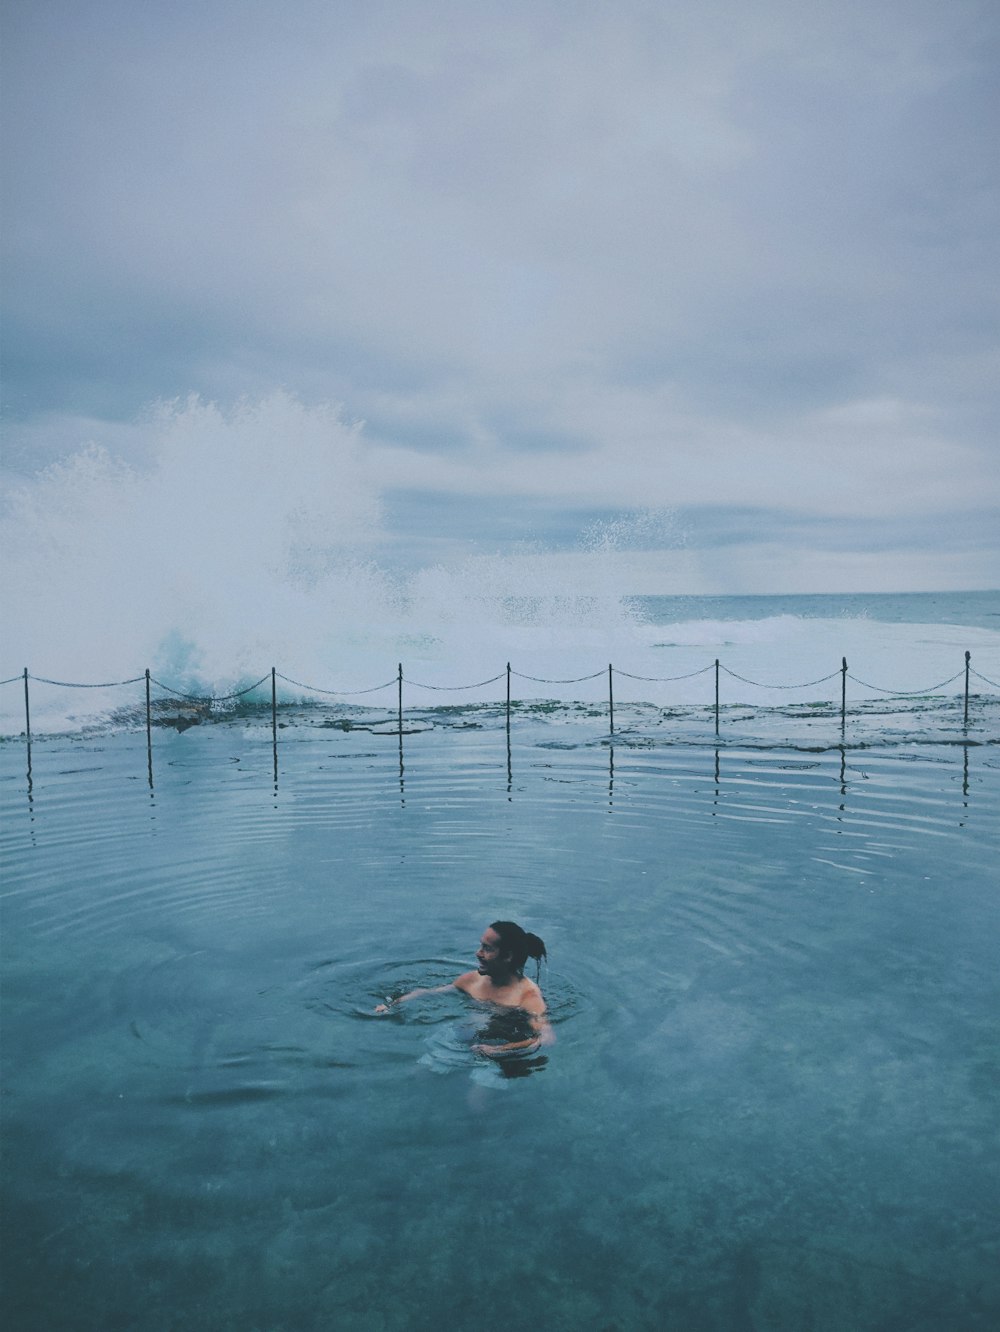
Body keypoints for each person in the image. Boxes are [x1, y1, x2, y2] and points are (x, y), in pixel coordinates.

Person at [374, 920, 553, 1056]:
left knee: (476, 1102)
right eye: (480, 945)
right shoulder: (472, 980)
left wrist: (498, 1050)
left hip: (498, 1054)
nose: (478, 953)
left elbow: (545, 1039)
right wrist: (391, 1005)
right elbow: (428, 993)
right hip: (464, 1036)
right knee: (420, 1073)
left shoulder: (528, 997)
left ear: (507, 956)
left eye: (487, 948)